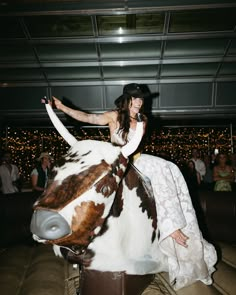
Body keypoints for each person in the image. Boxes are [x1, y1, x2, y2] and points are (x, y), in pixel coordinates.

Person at [51, 83, 217, 290]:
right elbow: (87, 118)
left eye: (142, 99)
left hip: (135, 160)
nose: (140, 102)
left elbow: (134, 145)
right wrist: (61, 107)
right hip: (115, 161)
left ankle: (171, 225)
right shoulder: (112, 116)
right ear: (127, 99)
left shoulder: (142, 119)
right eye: (136, 98)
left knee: (167, 167)